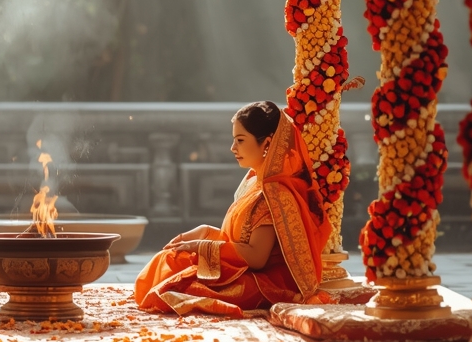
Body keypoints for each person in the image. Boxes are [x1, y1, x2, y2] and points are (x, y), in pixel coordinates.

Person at [134, 100, 332, 317]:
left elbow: (257, 257)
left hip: (262, 281)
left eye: (240, 140)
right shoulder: (253, 182)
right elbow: (237, 238)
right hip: (242, 269)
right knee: (171, 258)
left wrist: (201, 246)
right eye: (234, 140)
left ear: (266, 144)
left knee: (179, 286)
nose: (233, 148)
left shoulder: (275, 194)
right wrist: (203, 233)